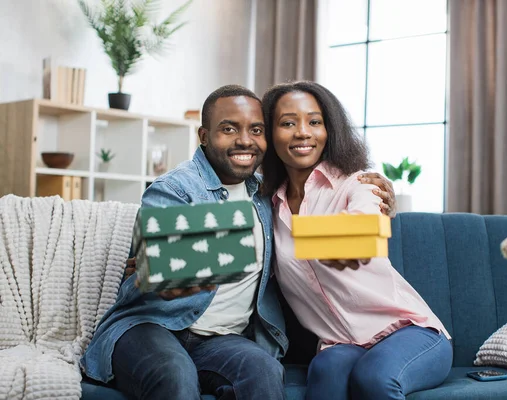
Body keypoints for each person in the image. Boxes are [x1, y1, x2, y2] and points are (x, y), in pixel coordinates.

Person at [80, 84, 396, 400]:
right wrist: (159, 270)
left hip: (222, 339)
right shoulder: (174, 188)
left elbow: (330, 199)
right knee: (175, 374)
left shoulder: (268, 195)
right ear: (204, 136)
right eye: (229, 129)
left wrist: (379, 190)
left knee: (264, 371)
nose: (244, 140)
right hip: (154, 327)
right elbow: (155, 260)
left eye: (256, 130)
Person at [259, 81, 453, 400]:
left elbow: (365, 221)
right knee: (325, 370)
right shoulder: (267, 204)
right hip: (342, 343)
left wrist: (352, 238)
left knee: (374, 377)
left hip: (410, 332)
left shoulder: (357, 184)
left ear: (329, 129)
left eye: (315, 121)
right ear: (270, 133)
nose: (303, 132)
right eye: (288, 123)